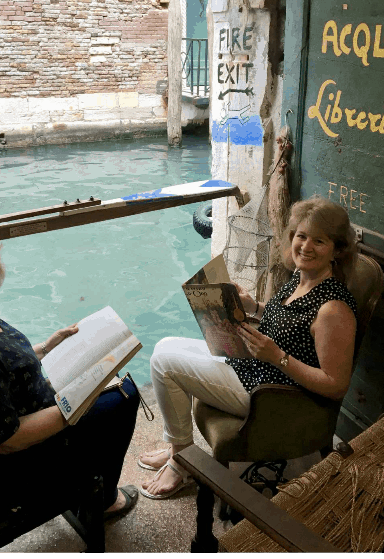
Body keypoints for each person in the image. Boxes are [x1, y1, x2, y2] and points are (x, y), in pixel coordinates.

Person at [138, 197, 359, 499]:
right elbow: (291, 322)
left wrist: (277, 357)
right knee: (164, 345)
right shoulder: (302, 277)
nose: (306, 247)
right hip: (253, 368)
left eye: (319, 241)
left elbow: (335, 385)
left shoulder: (334, 309)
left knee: (164, 362)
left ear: (337, 249)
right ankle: (179, 447)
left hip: (270, 394)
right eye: (300, 236)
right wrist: (252, 306)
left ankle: (181, 460)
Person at [0, 221, 141, 523]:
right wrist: (73, 404)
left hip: (32, 412)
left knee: (109, 388)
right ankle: (101, 498)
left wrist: (46, 347)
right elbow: (7, 440)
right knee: (123, 397)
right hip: (20, 465)